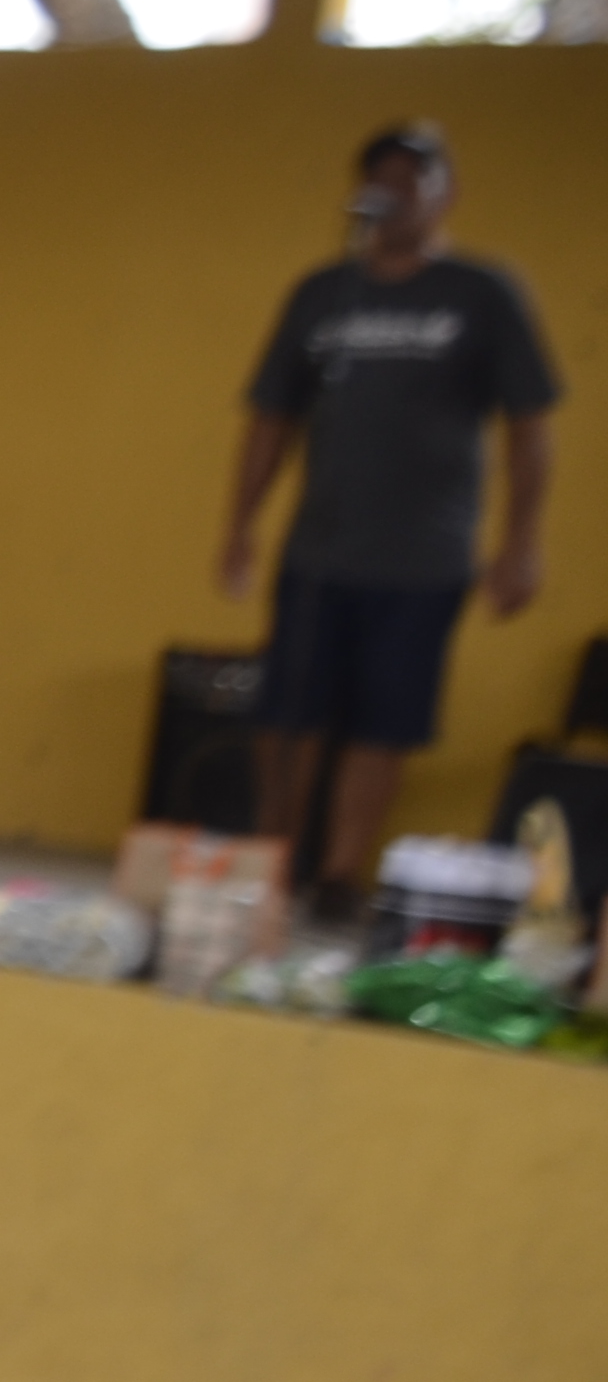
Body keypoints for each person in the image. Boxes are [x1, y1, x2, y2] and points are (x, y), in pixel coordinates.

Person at [216, 121, 562, 921]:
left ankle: (339, 873)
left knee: (384, 720)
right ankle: (277, 860)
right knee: (288, 714)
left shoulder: (483, 292)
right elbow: (272, 417)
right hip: (319, 547)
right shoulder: (322, 292)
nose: (394, 192)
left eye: (414, 178)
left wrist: (521, 543)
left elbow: (530, 424)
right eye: (381, 177)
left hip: (426, 555)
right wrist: (240, 524)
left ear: (446, 193)